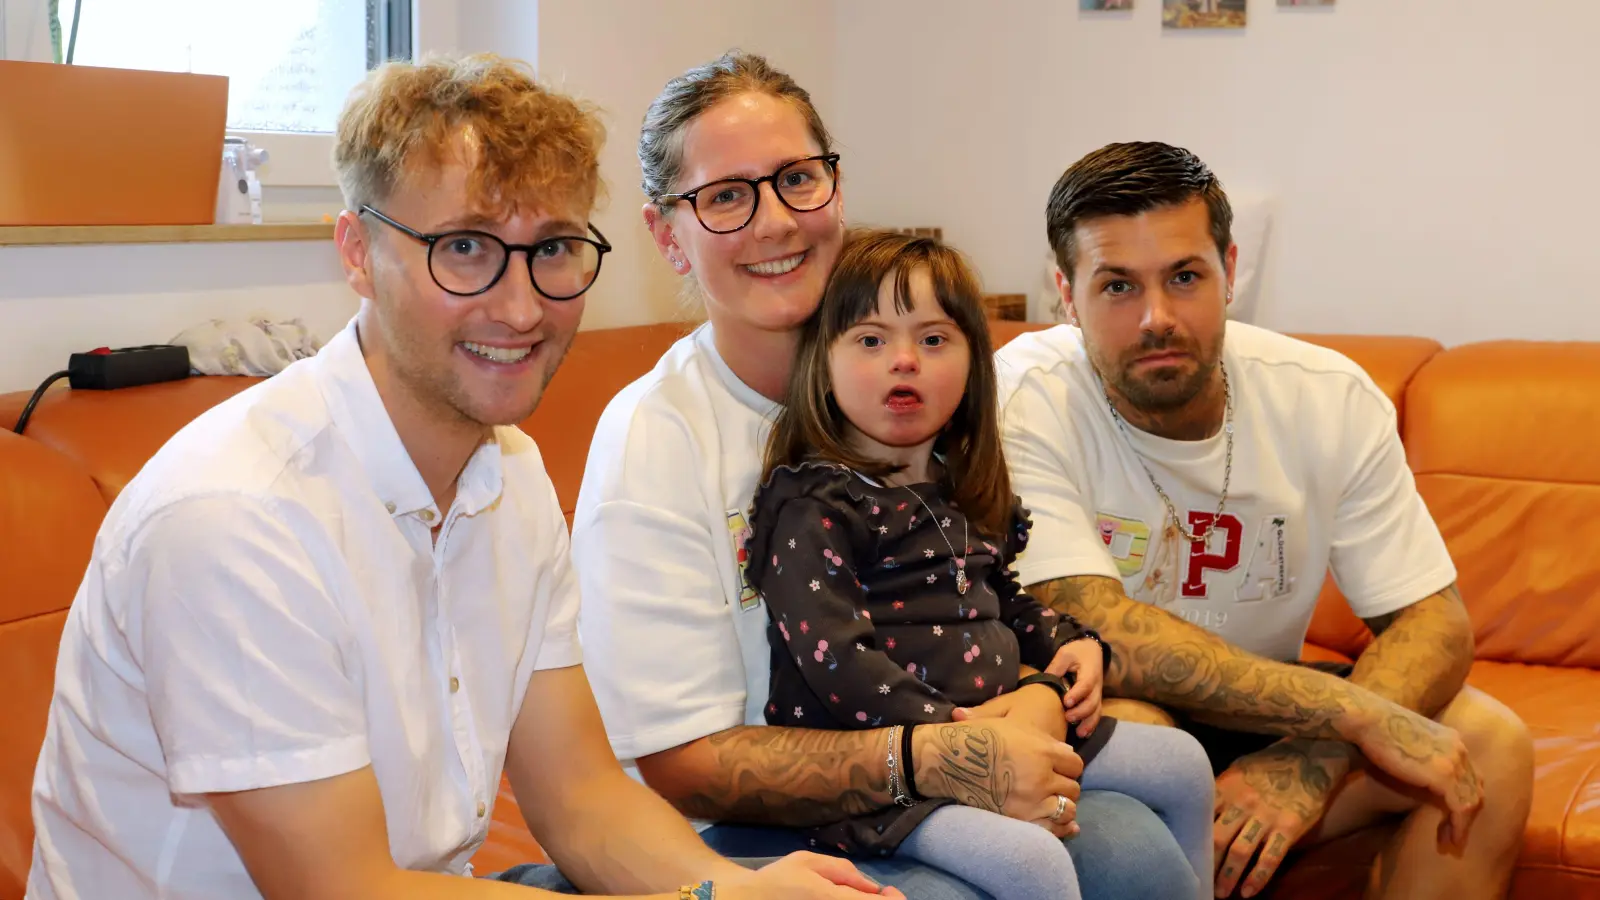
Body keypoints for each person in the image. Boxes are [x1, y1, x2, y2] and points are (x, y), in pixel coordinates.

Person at [27, 53, 899, 900]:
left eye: (553, 248)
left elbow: (582, 798)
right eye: (466, 249)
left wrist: (725, 892)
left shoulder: (507, 472)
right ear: (358, 252)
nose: (521, 308)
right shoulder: (235, 516)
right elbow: (344, 889)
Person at [571, 51, 1198, 900]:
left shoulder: (917, 403)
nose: (775, 222)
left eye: (798, 178)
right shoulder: (656, 440)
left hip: (953, 747)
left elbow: (980, 593)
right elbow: (686, 767)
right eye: (724, 196)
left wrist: (1045, 686)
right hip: (751, 837)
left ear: (835, 186)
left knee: (1137, 855)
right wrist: (954, 751)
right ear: (665, 235)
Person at [995, 140, 1533, 899]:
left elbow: (1433, 619)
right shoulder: (1021, 398)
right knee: (1147, 744)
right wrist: (1350, 717)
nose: (1157, 318)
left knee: (1493, 744)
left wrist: (1311, 762)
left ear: (1230, 270)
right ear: (1064, 291)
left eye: (1185, 277)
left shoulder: (1327, 396)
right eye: (1117, 286)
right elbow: (1099, 628)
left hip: (1273, 709)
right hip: (1114, 712)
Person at [742, 228, 1216, 900]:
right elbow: (835, 662)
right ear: (822, 361)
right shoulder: (814, 502)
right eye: (871, 340)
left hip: (1003, 732)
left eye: (933, 340)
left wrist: (1068, 641)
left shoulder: (953, 484)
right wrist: (965, 736)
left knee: (1183, 764)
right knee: (1032, 862)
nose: (904, 361)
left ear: (972, 364)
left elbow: (1000, 597)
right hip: (886, 775)